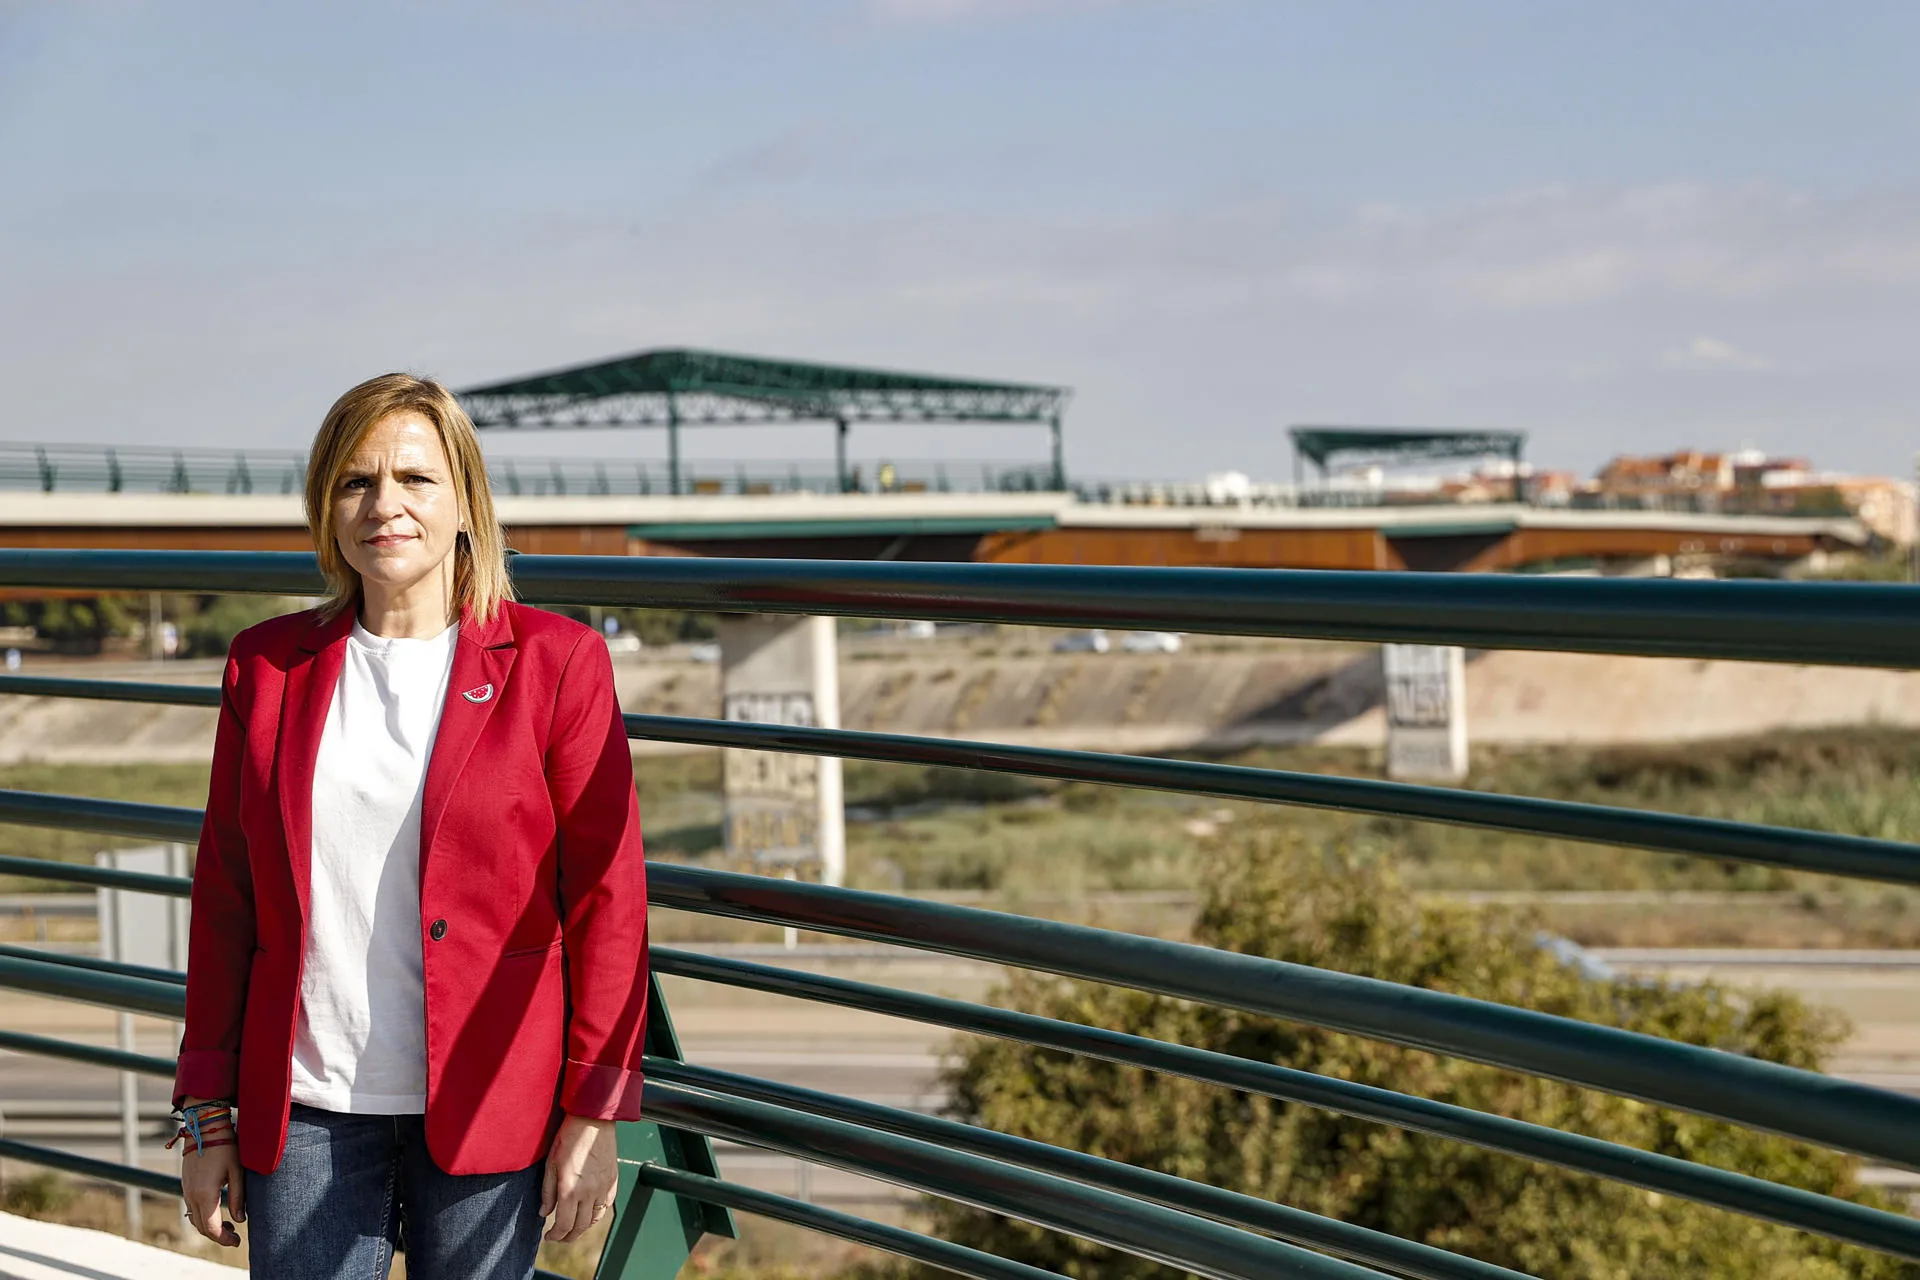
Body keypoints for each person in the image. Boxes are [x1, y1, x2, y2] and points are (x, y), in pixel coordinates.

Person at [171, 373, 649, 1279]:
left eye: (416, 480)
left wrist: (594, 1112)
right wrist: (206, 1114)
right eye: (356, 482)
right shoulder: (265, 669)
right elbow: (224, 900)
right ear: (326, 505)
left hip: (491, 1104)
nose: (384, 506)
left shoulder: (558, 665)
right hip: (306, 1109)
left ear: (466, 502)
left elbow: (608, 902)